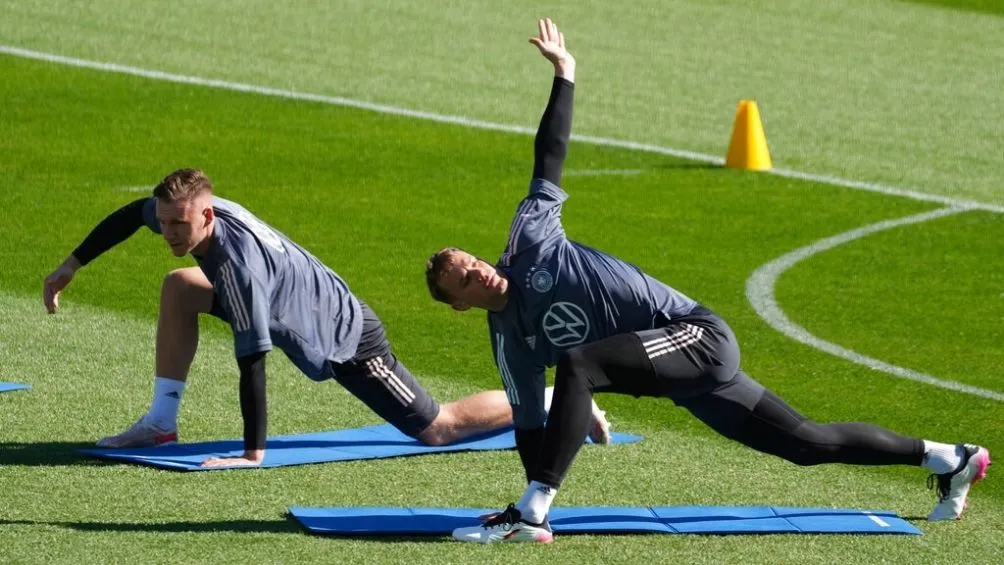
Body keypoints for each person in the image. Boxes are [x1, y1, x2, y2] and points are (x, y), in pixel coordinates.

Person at [425, 18, 990, 543]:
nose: (477, 271)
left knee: (579, 363)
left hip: (694, 334)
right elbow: (528, 424)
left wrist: (564, 73)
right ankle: (949, 458)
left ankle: (531, 513)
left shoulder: (531, 237)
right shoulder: (511, 342)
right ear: (461, 306)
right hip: (680, 375)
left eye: (471, 261)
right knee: (804, 443)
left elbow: (548, 156)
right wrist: (536, 482)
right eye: (464, 281)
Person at [43, 168, 611, 467]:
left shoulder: (238, 268)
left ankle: (562, 398)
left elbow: (254, 359)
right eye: (164, 223)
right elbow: (127, 215)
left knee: (438, 428)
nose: (167, 232)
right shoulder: (186, 211)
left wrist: (251, 454)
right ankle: (162, 422)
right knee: (180, 286)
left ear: (207, 215)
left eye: (176, 226)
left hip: (345, 334)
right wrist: (71, 266)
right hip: (290, 302)